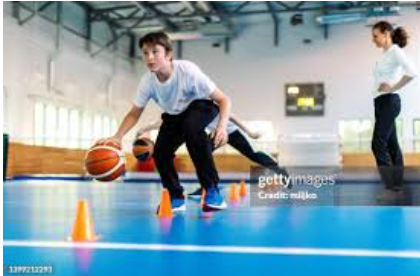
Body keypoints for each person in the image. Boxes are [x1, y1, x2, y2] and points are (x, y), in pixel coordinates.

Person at [98, 32, 231, 212]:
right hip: (174, 115)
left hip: (202, 105)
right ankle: (175, 196)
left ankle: (212, 189)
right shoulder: (148, 82)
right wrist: (117, 137)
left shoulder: (187, 70)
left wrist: (222, 127)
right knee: (160, 153)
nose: (149, 57)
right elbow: (134, 113)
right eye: (145, 53)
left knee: (192, 130)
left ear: (168, 54)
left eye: (155, 52)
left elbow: (223, 100)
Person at [135, 113, 290, 198]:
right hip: (216, 134)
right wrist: (144, 128)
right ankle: (208, 187)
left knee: (252, 154)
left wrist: (250, 132)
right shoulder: (188, 108)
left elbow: (232, 115)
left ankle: (281, 172)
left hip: (230, 132)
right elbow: (164, 122)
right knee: (201, 154)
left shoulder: (209, 101)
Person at [370, 21, 418, 202]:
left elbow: (412, 72)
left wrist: (393, 88)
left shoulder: (395, 51)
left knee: (377, 143)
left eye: (375, 36)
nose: (373, 40)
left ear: (386, 33)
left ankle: (390, 187)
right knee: (392, 146)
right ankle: (397, 188)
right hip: (380, 103)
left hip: (390, 101)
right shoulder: (385, 54)